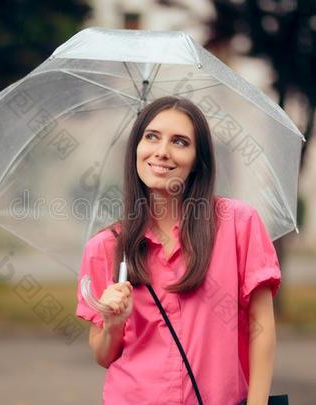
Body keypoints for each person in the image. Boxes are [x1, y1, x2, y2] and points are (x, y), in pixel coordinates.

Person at [75, 96, 281, 405]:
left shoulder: (238, 224)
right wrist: (114, 322)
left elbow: (261, 328)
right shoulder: (106, 246)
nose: (162, 152)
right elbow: (103, 356)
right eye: (152, 137)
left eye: (180, 142)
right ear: (136, 148)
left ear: (198, 159)